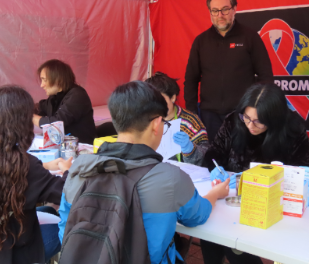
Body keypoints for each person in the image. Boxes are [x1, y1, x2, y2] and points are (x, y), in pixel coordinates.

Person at [58, 81, 230, 264]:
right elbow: (197, 216)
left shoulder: (79, 168)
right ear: (157, 124)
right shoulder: (170, 177)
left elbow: (64, 231)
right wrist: (215, 193)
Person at [201, 83, 309, 264]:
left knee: (237, 249)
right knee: (209, 236)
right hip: (231, 200)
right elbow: (214, 154)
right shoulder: (233, 121)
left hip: (273, 207)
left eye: (259, 121)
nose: (251, 125)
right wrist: (216, 170)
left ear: (274, 118)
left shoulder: (293, 130)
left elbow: (302, 170)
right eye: (247, 117)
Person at [0, 85, 72, 264]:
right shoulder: (24, 164)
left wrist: (44, 166)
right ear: (21, 122)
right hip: (14, 253)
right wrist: (69, 170)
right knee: (70, 226)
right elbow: (65, 193)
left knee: (46, 210)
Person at [184, 0, 273, 142]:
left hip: (242, 115)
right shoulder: (201, 41)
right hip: (209, 116)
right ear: (210, 12)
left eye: (225, 9)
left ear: (234, 9)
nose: (220, 15)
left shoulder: (250, 37)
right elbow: (191, 79)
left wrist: (257, 109)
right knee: (212, 160)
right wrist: (192, 113)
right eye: (215, 10)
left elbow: (265, 76)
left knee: (242, 161)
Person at [145, 72, 209, 165]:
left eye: (161, 100)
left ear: (173, 98)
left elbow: (206, 155)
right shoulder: (145, 120)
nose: (156, 106)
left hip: (183, 174)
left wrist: (190, 149)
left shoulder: (190, 121)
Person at [32, 59, 96, 144]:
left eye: (44, 80)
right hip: (63, 149)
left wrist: (30, 116)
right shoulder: (54, 98)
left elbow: (57, 123)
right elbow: (39, 107)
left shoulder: (77, 95)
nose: (42, 85)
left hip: (83, 150)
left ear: (58, 80)